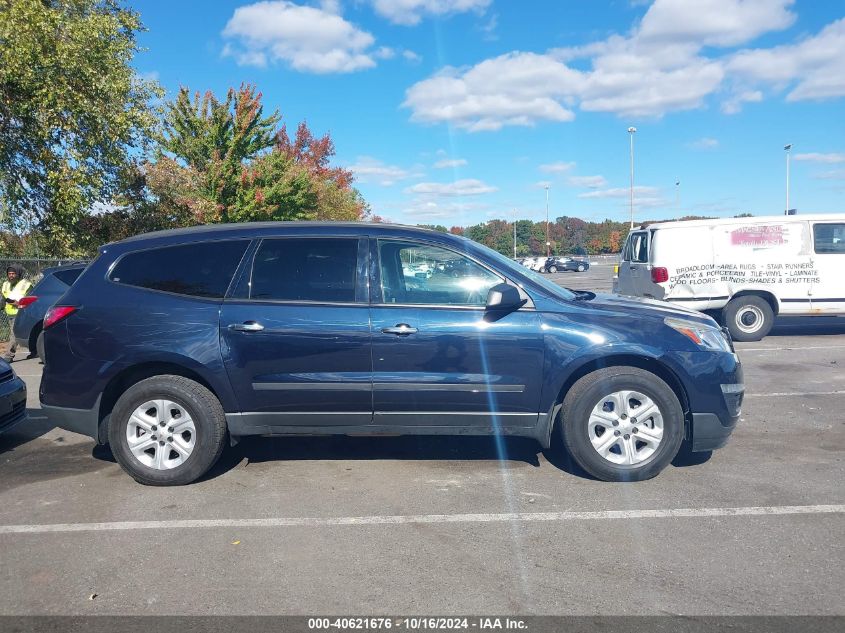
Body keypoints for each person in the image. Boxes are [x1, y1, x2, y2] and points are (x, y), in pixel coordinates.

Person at [1, 265, 33, 363]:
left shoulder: (26, 285)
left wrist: (18, 304)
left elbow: (31, 299)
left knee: (14, 334)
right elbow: (3, 298)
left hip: (22, 313)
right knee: (30, 332)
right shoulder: (5, 284)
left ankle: (9, 356)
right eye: (9, 274)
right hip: (10, 314)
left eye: (13, 274)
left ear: (18, 274)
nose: (11, 276)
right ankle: (35, 351)